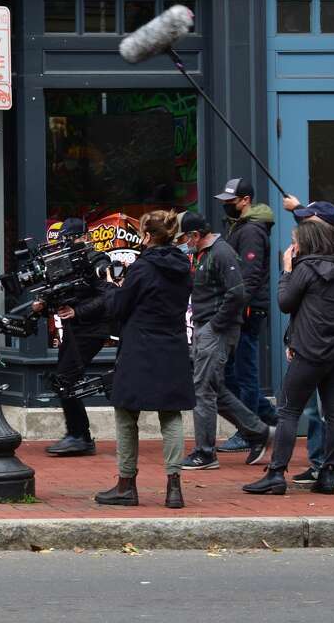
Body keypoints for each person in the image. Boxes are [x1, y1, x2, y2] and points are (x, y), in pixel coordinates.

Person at [243, 217, 334, 495]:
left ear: (306, 243)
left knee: (288, 411)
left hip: (309, 351)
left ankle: (275, 474)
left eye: (295, 242)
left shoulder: (305, 270)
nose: (292, 247)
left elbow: (285, 303)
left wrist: (286, 270)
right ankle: (330, 472)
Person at [93, 211, 195, 508]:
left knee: (126, 414)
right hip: (173, 345)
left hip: (139, 347)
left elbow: (118, 307)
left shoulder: (142, 268)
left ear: (148, 236)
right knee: (171, 415)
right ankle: (174, 487)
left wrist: (112, 285)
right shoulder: (182, 267)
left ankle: (126, 485)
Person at [176, 211, 272, 470]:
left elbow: (237, 293)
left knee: (203, 391)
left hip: (215, 330)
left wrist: (214, 326)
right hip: (206, 328)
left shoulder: (221, 253)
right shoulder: (201, 254)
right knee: (214, 390)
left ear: (195, 235)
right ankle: (257, 431)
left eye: (186, 237)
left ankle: (205, 452)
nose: (185, 242)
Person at [36, 218, 112, 457]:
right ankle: (78, 435)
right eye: (65, 240)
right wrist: (44, 304)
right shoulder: (68, 262)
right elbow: (66, 294)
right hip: (75, 328)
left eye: (72, 239)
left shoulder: (98, 260)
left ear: (84, 236)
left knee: (65, 379)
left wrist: (77, 311)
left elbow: (109, 295)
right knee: (65, 380)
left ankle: (79, 436)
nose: (68, 244)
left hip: (91, 329)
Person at [215, 177, 278, 457]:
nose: (227, 204)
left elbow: (249, 277)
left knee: (243, 370)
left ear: (245, 200)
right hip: (244, 307)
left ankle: (249, 430)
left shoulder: (251, 231)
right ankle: (266, 416)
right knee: (232, 370)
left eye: (232, 200)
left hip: (247, 309)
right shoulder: (242, 227)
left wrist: (236, 307)